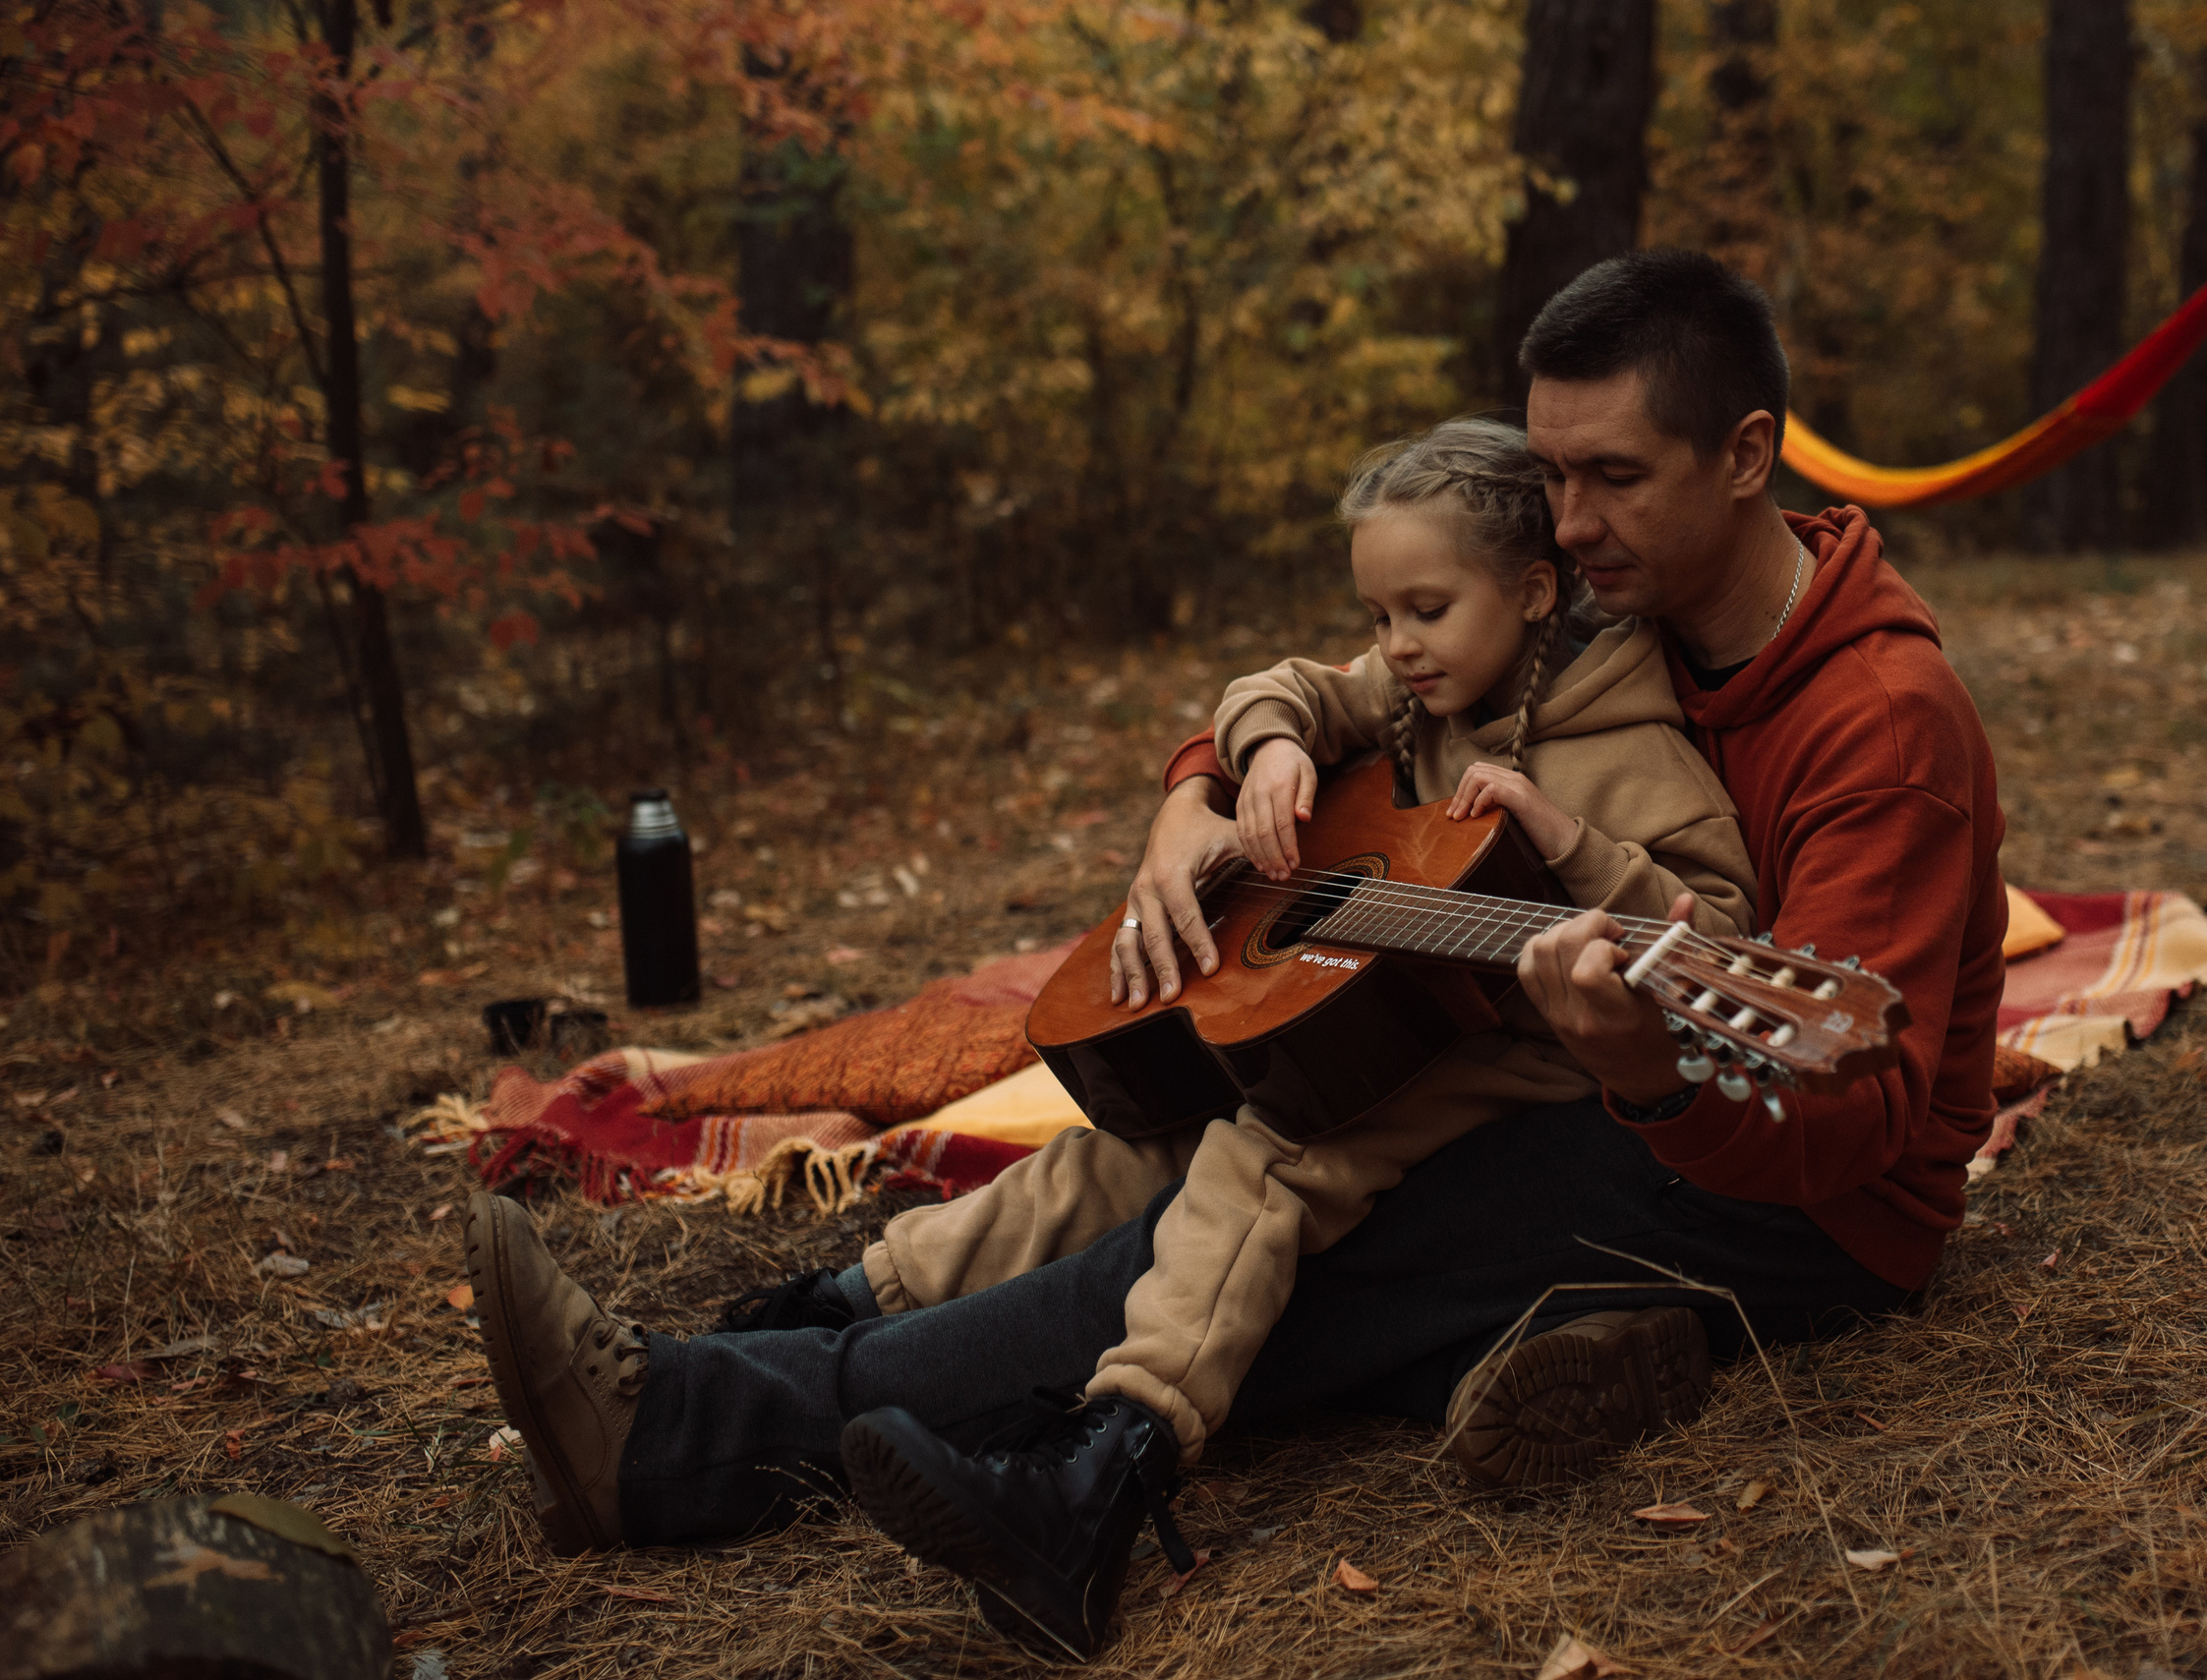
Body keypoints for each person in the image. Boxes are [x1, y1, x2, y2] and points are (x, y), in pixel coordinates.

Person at [460, 249, 2006, 1663]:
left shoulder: (1877, 722)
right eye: (1547, 474)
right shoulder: (1617, 601)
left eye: (1612, 477)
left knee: (1274, 1235)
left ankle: (688, 1431)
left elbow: (1846, 1125)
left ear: (1748, 458)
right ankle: (1538, 1343)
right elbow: (1356, 682)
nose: (1569, 519)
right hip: (1572, 1067)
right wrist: (1194, 793)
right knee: (1213, 1142)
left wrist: (1650, 1079)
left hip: (1799, 1202)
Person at [837, 415, 1756, 1491]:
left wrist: (1567, 841)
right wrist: (1269, 745)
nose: (1399, 642)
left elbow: (1723, 938)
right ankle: (865, 1291)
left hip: (1526, 1056)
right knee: (1134, 1145)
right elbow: (1292, 685)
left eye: (1425, 609)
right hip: (1401, 1004)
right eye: (1378, 613)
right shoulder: (1424, 680)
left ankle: (1117, 1449)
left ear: (1536, 593)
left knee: (1268, 1150)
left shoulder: (1631, 746)